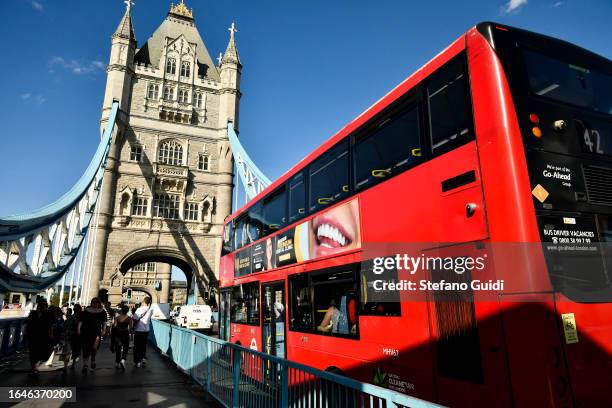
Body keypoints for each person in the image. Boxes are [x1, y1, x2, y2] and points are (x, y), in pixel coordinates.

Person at [79, 298, 107, 374]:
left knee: (94, 348)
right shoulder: (86, 311)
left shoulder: (102, 311)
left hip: (97, 332)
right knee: (85, 348)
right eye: (93, 302)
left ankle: (93, 359)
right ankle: (85, 365)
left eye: (96, 302)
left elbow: (104, 322)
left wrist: (104, 330)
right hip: (86, 332)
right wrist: (78, 328)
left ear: (98, 303)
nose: (95, 303)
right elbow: (81, 321)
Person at [25, 298, 52, 375]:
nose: (42, 306)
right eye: (41, 305)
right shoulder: (33, 313)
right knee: (32, 352)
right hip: (33, 335)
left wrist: (50, 334)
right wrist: (26, 333)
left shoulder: (47, 314)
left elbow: (50, 325)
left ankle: (35, 368)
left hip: (43, 336)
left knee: (42, 353)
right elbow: (27, 323)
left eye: (44, 305)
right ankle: (34, 369)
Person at [132, 296, 153, 367]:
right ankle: (143, 358)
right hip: (146, 330)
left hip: (139, 330)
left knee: (137, 346)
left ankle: (137, 361)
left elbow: (134, 318)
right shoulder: (151, 309)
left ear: (143, 301)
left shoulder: (139, 309)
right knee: (143, 345)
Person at [113, 304, 132, 371]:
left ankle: (117, 362)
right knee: (125, 347)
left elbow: (114, 326)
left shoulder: (117, 318)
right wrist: (131, 336)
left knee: (118, 348)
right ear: (127, 311)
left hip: (118, 333)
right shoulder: (129, 318)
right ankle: (123, 360)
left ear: (121, 310)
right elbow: (131, 328)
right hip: (125, 333)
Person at [65, 305, 81, 370]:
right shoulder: (71, 317)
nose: (76, 310)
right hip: (71, 336)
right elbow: (67, 326)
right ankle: (65, 366)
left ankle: (72, 364)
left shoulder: (81, 318)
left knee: (75, 352)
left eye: (77, 309)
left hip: (77, 337)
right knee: (68, 351)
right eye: (75, 309)